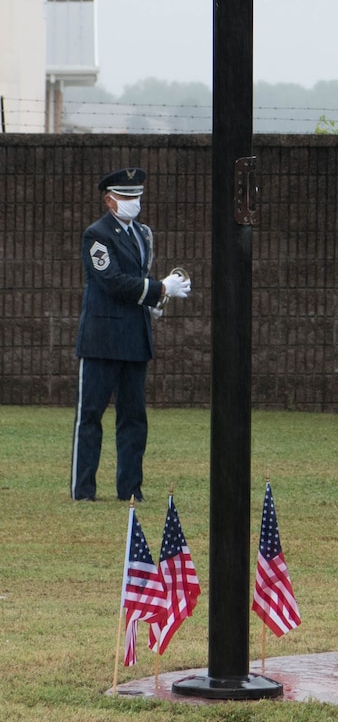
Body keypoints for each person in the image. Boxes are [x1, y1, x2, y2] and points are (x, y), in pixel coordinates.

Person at [71, 167, 191, 502]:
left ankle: (131, 490)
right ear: (110, 200)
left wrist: (158, 301)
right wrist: (158, 288)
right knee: (90, 416)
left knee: (134, 419)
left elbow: (137, 278)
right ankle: (83, 491)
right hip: (101, 339)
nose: (133, 202)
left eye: (136, 196)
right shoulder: (96, 234)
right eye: (126, 197)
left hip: (135, 339)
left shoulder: (142, 234)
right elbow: (110, 281)